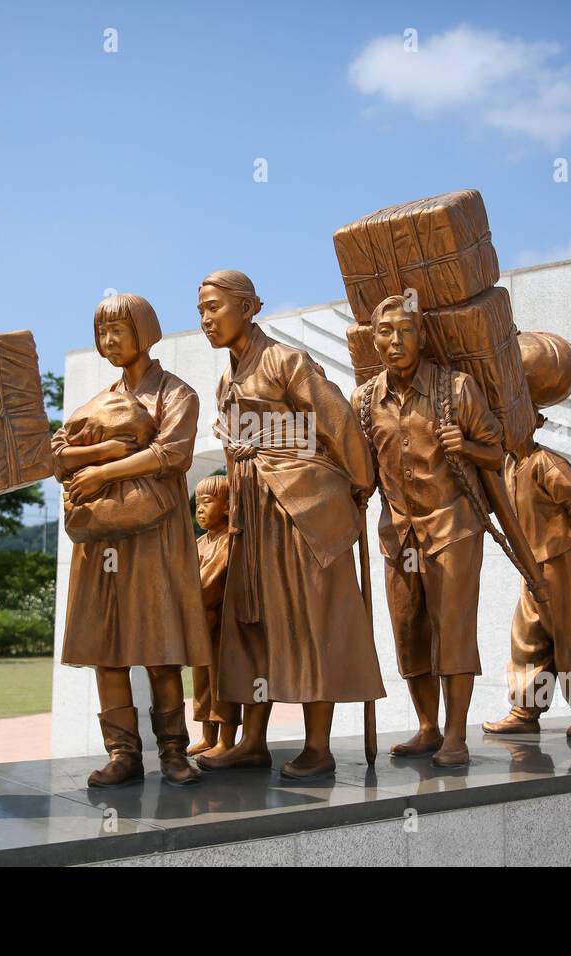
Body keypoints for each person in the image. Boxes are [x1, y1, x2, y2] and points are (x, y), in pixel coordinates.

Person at [196, 269, 385, 779]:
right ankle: (253, 741)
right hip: (252, 519)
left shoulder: (285, 360)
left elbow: (338, 417)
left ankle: (318, 747)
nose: (206, 319)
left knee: (309, 622)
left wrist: (360, 480)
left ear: (249, 307)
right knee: (252, 624)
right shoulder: (226, 378)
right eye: (201, 311)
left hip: (301, 511)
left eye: (214, 306)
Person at [54, 293, 212, 786]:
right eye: (101, 333)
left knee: (160, 647)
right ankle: (123, 754)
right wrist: (104, 449)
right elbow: (59, 456)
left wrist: (101, 473)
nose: (108, 342)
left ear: (143, 331)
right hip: (102, 540)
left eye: (117, 330)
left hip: (154, 537)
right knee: (108, 648)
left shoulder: (175, 393)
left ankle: (173, 754)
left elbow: (172, 454)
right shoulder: (95, 405)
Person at [350, 296, 503, 766]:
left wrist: (469, 446)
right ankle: (427, 727)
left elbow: (499, 452)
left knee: (453, 631)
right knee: (409, 632)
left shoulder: (455, 388)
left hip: (453, 526)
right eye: (385, 332)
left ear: (422, 336)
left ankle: (456, 734)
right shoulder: (364, 400)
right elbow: (363, 472)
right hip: (398, 532)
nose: (395, 341)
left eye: (406, 331)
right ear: (373, 339)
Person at [483, 412, 571, 737]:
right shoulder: (509, 466)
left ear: (530, 424)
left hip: (563, 558)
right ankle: (526, 709)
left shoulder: (545, 462)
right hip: (533, 563)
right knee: (528, 635)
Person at [188, 475, 241, 758]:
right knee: (202, 682)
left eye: (207, 503)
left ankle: (226, 739)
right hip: (202, 626)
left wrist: (190, 600)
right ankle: (207, 735)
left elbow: (209, 582)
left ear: (226, 506)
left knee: (223, 681)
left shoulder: (228, 540)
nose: (200, 509)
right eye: (197, 504)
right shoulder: (198, 543)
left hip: (223, 624)